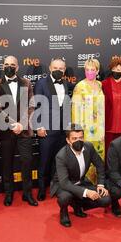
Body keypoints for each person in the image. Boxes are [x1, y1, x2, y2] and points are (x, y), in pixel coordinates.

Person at [0, 56, 37, 207]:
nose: (9, 67)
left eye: (12, 65)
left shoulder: (26, 83)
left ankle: (27, 194)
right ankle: (8, 194)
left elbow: (31, 105)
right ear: (2, 66)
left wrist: (21, 124)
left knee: (27, 162)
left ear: (17, 67)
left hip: (24, 130)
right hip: (6, 130)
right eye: (6, 64)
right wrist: (12, 124)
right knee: (7, 164)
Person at [50, 124, 111, 227]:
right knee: (65, 197)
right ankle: (64, 212)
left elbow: (100, 165)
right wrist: (86, 192)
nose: (78, 141)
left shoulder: (89, 147)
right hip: (62, 185)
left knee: (106, 199)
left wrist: (100, 184)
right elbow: (65, 183)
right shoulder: (61, 156)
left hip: (81, 182)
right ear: (68, 140)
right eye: (74, 138)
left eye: (81, 137)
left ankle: (77, 205)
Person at [33, 57, 71, 201]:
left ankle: (56, 188)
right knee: (44, 161)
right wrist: (38, 127)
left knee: (59, 161)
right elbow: (36, 106)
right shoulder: (41, 83)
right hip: (47, 129)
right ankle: (42, 190)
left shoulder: (66, 83)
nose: (58, 70)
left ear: (64, 69)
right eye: (55, 68)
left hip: (62, 131)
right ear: (50, 68)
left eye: (61, 68)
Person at [71, 58, 105, 183]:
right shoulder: (80, 86)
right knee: (86, 155)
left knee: (99, 155)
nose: (90, 72)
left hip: (100, 128)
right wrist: (77, 130)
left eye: (92, 69)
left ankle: (99, 183)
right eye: (87, 69)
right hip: (85, 128)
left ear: (97, 71)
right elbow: (75, 109)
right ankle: (87, 184)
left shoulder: (100, 85)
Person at [102, 57, 121, 153]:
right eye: (113, 69)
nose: (115, 71)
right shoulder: (104, 84)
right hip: (109, 126)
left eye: (118, 70)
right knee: (108, 151)